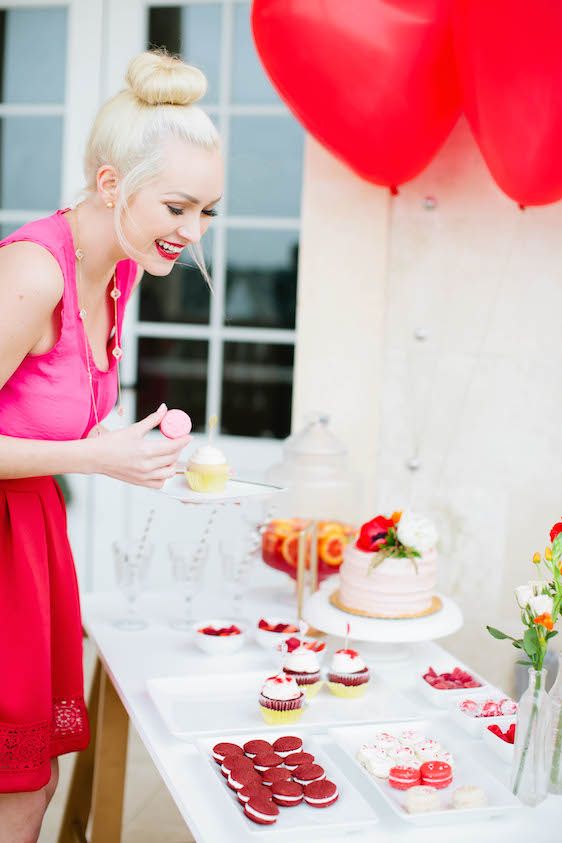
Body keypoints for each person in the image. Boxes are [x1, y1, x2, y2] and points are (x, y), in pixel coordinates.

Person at [0, 49, 223, 842]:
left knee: (31, 776)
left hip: (31, 544)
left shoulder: (120, 271)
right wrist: (95, 458)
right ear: (110, 186)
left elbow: (39, 416)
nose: (193, 233)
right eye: (177, 207)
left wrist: (123, 445)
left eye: (208, 211)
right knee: (17, 784)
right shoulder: (34, 271)